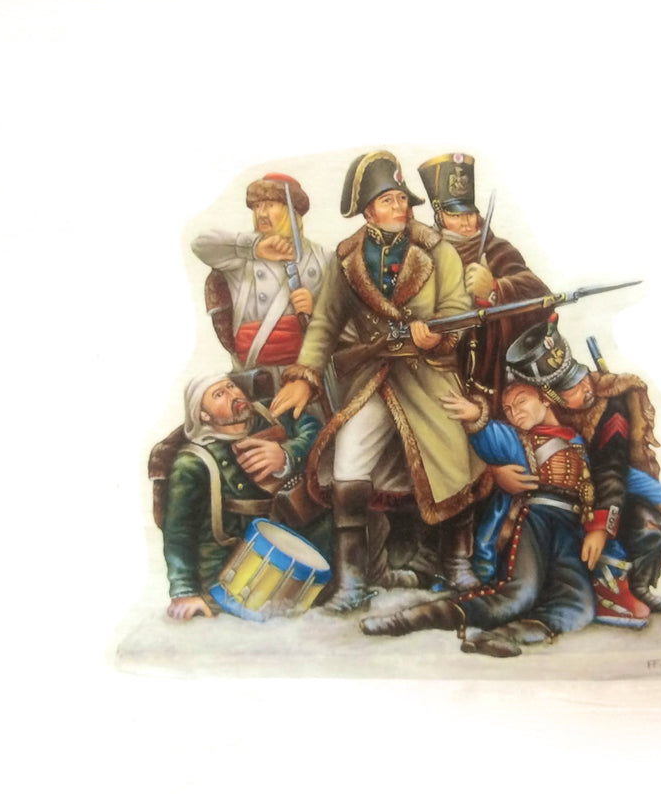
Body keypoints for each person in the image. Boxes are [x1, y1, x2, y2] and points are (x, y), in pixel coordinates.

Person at [271, 150, 491, 611]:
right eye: (388, 201)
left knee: (455, 454)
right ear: (368, 211)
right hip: (374, 375)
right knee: (348, 462)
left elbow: (456, 311)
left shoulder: (438, 251)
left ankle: (457, 563)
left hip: (428, 374)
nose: (400, 208)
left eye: (402, 199)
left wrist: (436, 337)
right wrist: (304, 378)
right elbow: (325, 324)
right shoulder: (347, 259)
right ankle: (352, 582)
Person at [360, 382, 600, 658]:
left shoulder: (576, 441)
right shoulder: (517, 440)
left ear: (545, 400)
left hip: (570, 528)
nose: (515, 412)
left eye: (521, 402)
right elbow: (492, 436)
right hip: (534, 520)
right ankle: (409, 620)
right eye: (508, 409)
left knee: (579, 604)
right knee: (519, 594)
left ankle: (501, 636)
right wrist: (476, 415)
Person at [502, 315, 661, 614]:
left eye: (581, 380)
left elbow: (614, 470)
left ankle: (636, 587)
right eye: (570, 390)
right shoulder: (536, 413)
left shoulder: (610, 407)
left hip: (603, 497)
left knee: (649, 527)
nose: (584, 390)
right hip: (554, 508)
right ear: (550, 396)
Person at [162, 372, 322, 620]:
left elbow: (314, 429)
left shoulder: (270, 413)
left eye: (231, 386)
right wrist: (184, 592)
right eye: (219, 394)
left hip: (294, 558)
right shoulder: (192, 462)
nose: (233, 395)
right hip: (228, 580)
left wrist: (287, 455)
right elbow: (178, 533)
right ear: (204, 415)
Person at [417, 153, 553, 414]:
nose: (466, 222)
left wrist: (494, 288)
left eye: (470, 213)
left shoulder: (497, 249)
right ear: (439, 214)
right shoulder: (423, 254)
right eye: (455, 214)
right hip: (437, 367)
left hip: (493, 373)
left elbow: (540, 295)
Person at [190, 173, 334, 389]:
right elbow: (199, 245)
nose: (261, 213)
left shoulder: (324, 258)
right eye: (257, 206)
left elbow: (347, 321)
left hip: (306, 378)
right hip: (255, 377)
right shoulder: (242, 255)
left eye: (270, 205)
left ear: (292, 209)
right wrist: (255, 248)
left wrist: (316, 310)